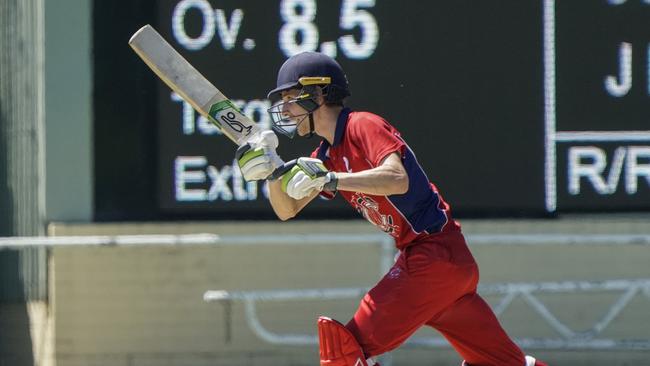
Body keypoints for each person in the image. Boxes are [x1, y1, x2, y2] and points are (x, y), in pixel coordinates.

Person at [235, 52, 548, 366]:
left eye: (291, 97)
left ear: (318, 92)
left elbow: (398, 180)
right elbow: (287, 209)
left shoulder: (362, 125)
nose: (285, 109)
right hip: (444, 263)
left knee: (344, 353)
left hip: (433, 255)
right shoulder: (327, 154)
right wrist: (273, 173)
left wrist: (332, 180)